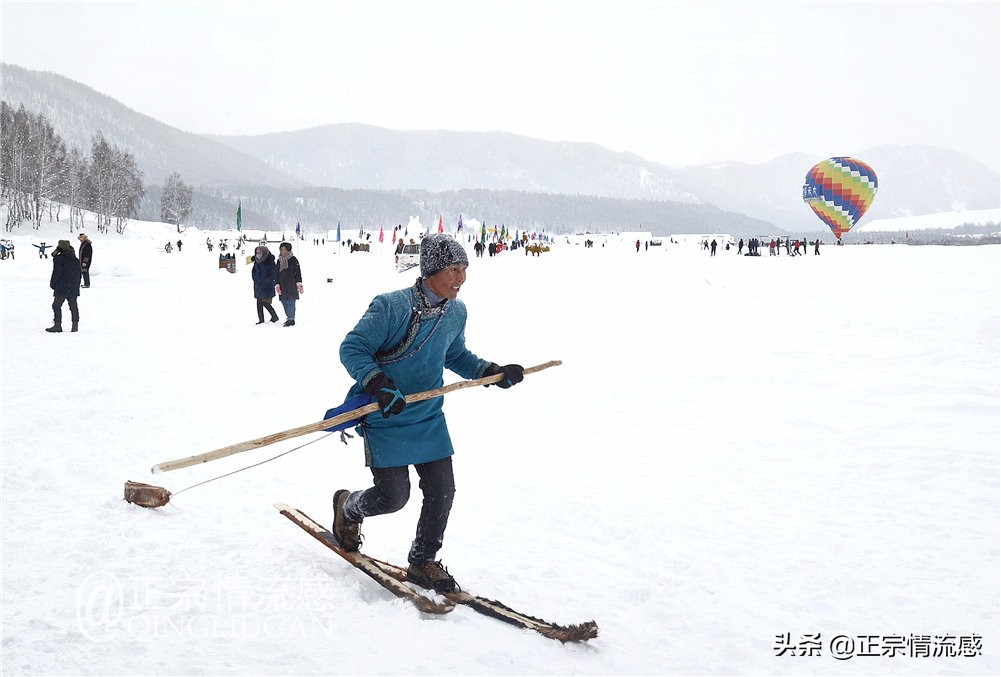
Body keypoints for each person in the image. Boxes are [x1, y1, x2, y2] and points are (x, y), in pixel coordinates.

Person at [331, 233, 524, 593]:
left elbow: (454, 354)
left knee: (442, 491)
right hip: (385, 414)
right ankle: (348, 508)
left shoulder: (456, 312)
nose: (461, 278)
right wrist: (377, 382)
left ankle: (422, 561)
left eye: (465, 268)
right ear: (431, 270)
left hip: (428, 416)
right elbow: (352, 348)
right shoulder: (390, 307)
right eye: (454, 269)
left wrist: (489, 372)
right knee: (393, 497)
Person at [46, 240, 82, 333]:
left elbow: (56, 272)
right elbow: (79, 274)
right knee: (73, 306)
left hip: (62, 286)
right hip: (73, 286)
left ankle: (57, 325)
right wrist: (76, 285)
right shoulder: (75, 259)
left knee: (56, 305)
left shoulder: (59, 258)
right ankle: (75, 326)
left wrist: (52, 283)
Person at [275, 241, 303, 327]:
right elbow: (276, 273)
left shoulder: (293, 259)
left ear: (288, 250)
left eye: (284, 249)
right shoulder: (279, 260)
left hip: (292, 284)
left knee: (291, 301)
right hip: (282, 284)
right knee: (284, 301)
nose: (283, 251)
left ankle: (291, 319)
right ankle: (289, 317)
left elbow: (298, 272)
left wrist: (299, 283)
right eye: (281, 249)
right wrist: (277, 284)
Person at [251, 245, 279, 324]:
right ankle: (261, 320)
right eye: (257, 252)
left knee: (265, 302)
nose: (258, 254)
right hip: (258, 285)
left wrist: (267, 281)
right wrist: (255, 279)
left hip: (267, 286)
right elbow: (254, 271)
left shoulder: (269, 260)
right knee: (259, 303)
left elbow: (273, 273)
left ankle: (274, 317)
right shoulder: (257, 261)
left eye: (260, 252)